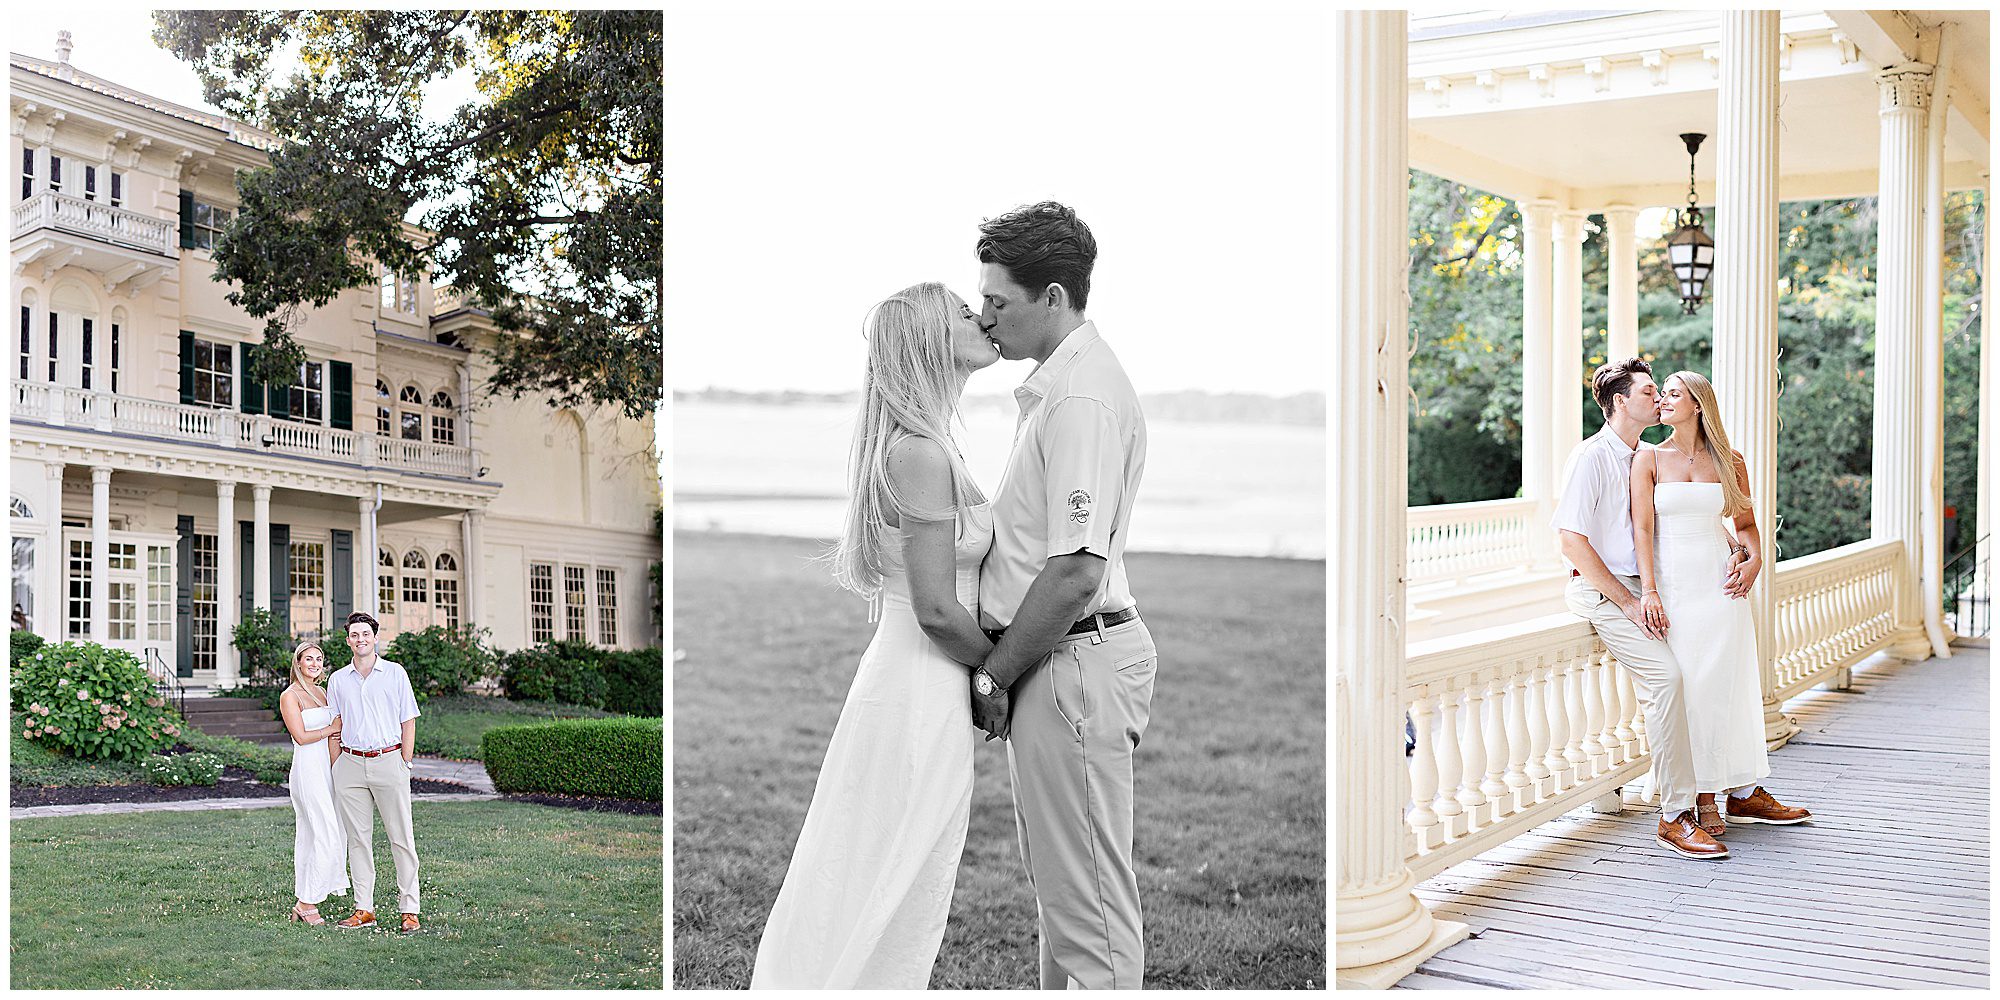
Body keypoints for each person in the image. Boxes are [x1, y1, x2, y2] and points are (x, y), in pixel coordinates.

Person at [750, 281, 1001, 988]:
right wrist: (1000, 674)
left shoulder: (927, 446)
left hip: (923, 683)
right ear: (928, 339)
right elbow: (935, 609)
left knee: (892, 866)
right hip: (919, 686)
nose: (980, 317)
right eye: (961, 311)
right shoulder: (919, 452)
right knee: (889, 871)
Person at [970, 201, 1156, 989]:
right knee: (1066, 902)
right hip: (1064, 661)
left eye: (998, 303)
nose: (985, 320)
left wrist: (995, 673)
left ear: (1053, 297)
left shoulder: (1080, 397)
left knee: (1091, 921)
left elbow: (1077, 570)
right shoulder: (1061, 387)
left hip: (1071, 665)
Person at [1631, 370, 1811, 838]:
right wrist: (1649, 590)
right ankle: (1700, 797)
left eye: (1672, 394)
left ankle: (1737, 791)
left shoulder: (1730, 460)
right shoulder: (1648, 457)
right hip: (1673, 589)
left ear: (1697, 403)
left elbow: (1748, 526)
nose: (1663, 401)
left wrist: (1754, 564)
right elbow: (1642, 533)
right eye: (1661, 394)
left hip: (1720, 588)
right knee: (1689, 690)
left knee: (1724, 689)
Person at [326, 611, 423, 933]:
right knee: (357, 841)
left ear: (375, 637)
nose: (360, 639)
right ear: (348, 640)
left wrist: (405, 762)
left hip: (389, 761)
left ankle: (409, 910)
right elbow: (335, 726)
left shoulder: (395, 673)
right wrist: (335, 765)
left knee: (401, 839)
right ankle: (364, 909)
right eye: (354, 635)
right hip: (350, 766)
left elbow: (408, 720)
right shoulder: (338, 679)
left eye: (365, 634)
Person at [279, 639, 347, 924]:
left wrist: (339, 768)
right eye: (309, 659)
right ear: (298, 662)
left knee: (324, 834)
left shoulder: (323, 692)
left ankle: (304, 899)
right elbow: (301, 737)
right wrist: (330, 727)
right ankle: (308, 903)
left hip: (328, 768)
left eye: (319, 659)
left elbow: (337, 735)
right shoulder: (290, 695)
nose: (315, 664)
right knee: (325, 833)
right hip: (308, 769)